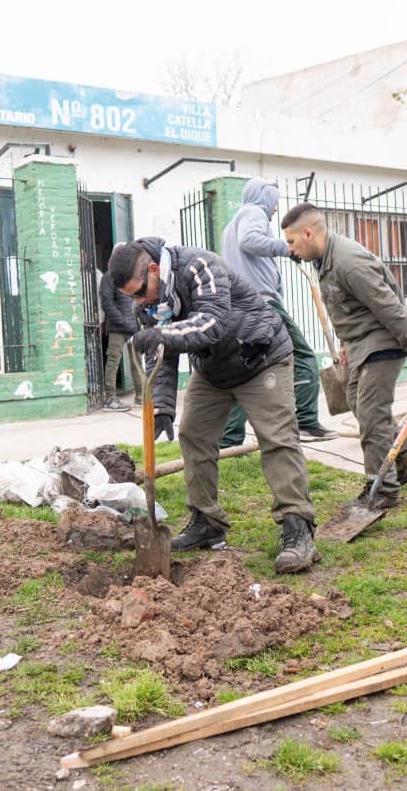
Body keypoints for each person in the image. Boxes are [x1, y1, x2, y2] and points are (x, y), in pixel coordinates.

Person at [107, 237, 319, 573]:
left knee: (276, 438)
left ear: (152, 269)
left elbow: (212, 323)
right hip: (214, 370)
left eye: (138, 292)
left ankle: (298, 527)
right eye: (131, 297)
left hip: (260, 356)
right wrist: (161, 405)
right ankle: (207, 522)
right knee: (193, 435)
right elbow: (159, 357)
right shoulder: (147, 305)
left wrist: (164, 335)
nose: (137, 301)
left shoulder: (199, 266)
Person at [280, 203, 407, 510]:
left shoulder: (348, 263)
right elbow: (347, 306)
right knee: (357, 400)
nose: (290, 249)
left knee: (371, 412)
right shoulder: (324, 259)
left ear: (307, 232)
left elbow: (390, 307)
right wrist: (345, 342)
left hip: (383, 342)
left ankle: (381, 487)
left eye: (291, 242)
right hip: (361, 344)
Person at [219, 178, 336, 446]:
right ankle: (306, 422)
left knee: (243, 369)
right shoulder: (253, 213)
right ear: (265, 198)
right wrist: (288, 248)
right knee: (302, 355)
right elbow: (250, 241)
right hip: (260, 304)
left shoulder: (231, 226)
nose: (274, 210)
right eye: (274, 202)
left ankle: (229, 440)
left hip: (237, 308)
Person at [99, 268, 141, 411]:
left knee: (137, 361)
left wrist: (136, 321)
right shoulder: (108, 277)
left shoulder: (131, 275)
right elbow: (107, 303)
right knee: (113, 360)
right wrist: (123, 321)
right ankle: (110, 399)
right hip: (117, 328)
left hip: (133, 327)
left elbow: (137, 299)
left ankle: (141, 396)